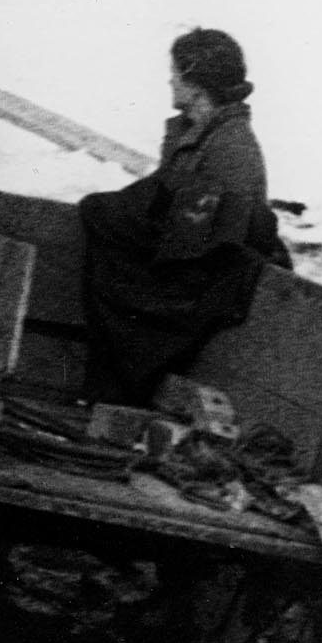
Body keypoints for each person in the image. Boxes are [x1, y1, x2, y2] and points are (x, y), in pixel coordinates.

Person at [78, 28, 292, 407]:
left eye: (176, 72)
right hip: (188, 265)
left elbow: (207, 237)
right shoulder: (197, 135)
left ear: (196, 86)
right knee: (102, 220)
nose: (170, 80)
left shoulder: (232, 146)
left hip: (202, 282)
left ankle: (118, 396)